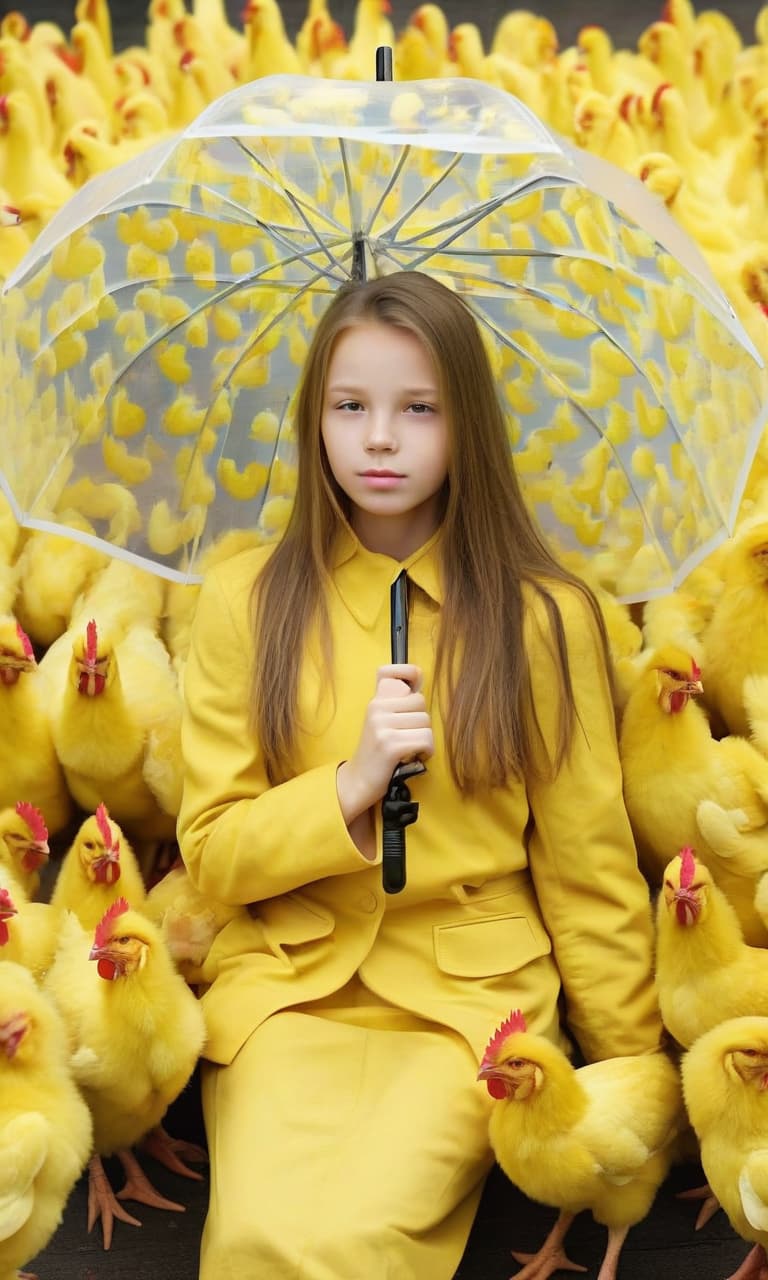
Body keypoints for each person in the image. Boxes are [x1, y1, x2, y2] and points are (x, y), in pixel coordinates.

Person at [177, 270, 663, 1280]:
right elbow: (215, 855)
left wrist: (630, 1074)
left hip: (465, 1008)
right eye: (350, 406)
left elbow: (587, 865)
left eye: (419, 408)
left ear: (466, 424)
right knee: (253, 1242)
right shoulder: (245, 602)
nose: (381, 439)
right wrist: (348, 785)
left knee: (357, 1247)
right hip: (289, 995)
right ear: (316, 420)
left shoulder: (542, 616)